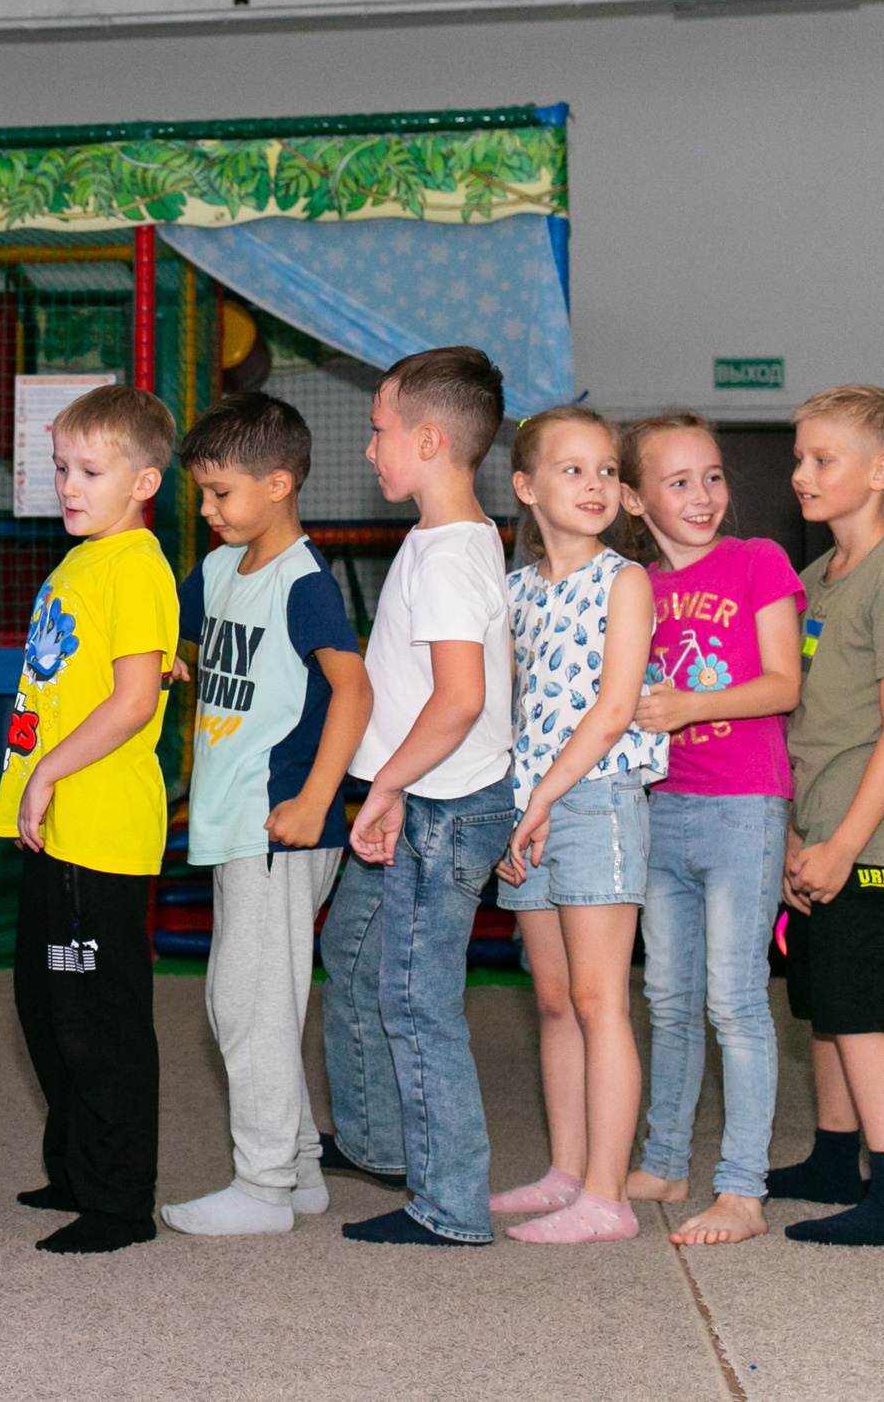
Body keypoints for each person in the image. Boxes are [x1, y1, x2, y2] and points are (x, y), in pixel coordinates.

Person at [160, 393, 372, 1238]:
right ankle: (301, 1170)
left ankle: (263, 1187)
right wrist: (173, 660)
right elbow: (176, 635)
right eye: (203, 494)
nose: (207, 510)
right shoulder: (220, 570)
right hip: (233, 821)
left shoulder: (304, 582)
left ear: (279, 484)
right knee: (247, 1000)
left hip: (280, 823)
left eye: (221, 493)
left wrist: (316, 799)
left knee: (249, 1006)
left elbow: (353, 690)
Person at [337, 346, 517, 1249]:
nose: (370, 448)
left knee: (416, 1002)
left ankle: (451, 1204)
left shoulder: (449, 556)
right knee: (356, 954)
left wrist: (390, 785)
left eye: (380, 430)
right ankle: (382, 1141)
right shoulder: (450, 538)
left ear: (432, 439)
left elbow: (460, 700)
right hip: (426, 796)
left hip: (441, 807)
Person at [0, 383, 182, 1254]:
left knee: (97, 1018)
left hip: (99, 830)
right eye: (61, 467)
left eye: (90, 471)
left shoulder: (136, 565)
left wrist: (48, 772)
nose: (69, 486)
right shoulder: (82, 561)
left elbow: (133, 700)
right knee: (45, 1004)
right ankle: (75, 1168)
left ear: (144, 483)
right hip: (57, 828)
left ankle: (119, 1203)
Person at [764, 384, 884, 1248]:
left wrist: (844, 843)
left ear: (883, 472)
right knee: (825, 1006)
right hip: (818, 828)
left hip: (869, 838)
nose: (802, 473)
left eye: (822, 459)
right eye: (799, 457)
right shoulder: (814, 581)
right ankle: (836, 1158)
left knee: (863, 1011)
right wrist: (797, 834)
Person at [616, 414, 805, 1247]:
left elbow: (782, 684)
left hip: (742, 805)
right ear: (634, 499)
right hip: (661, 808)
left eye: (714, 476)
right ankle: (664, 1161)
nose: (703, 496)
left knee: (735, 999)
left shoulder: (757, 560)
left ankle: (742, 1189)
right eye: (679, 482)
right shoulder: (634, 587)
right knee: (667, 996)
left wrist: (691, 705)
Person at [488, 407, 666, 1244]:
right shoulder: (515, 590)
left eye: (607, 470)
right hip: (529, 810)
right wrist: (513, 807)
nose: (595, 485)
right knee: (555, 1000)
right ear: (526, 487)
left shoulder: (623, 581)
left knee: (600, 1001)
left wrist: (544, 797)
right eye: (573, 469)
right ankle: (566, 1172)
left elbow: (615, 707)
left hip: (594, 801)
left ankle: (607, 1194)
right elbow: (509, 706)